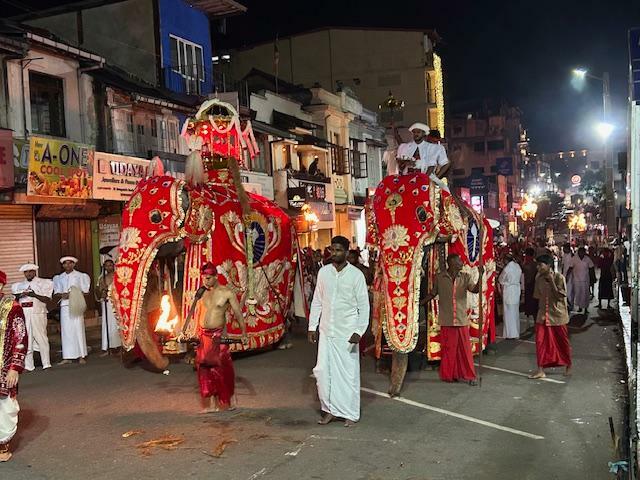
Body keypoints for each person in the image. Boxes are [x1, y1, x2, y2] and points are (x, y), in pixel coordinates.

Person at [308, 236, 370, 427]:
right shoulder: (324, 272)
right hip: (327, 331)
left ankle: (350, 413)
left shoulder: (356, 275)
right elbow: (317, 301)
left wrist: (359, 331)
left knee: (348, 375)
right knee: (323, 372)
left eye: (338, 250)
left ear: (347, 252)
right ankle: (328, 410)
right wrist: (312, 326)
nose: (334, 253)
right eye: (332, 250)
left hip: (347, 333)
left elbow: (364, 306)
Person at [181, 262, 247, 413]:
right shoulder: (202, 292)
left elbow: (237, 313)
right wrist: (186, 330)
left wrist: (244, 333)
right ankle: (212, 405)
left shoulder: (226, 292)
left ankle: (229, 400)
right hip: (204, 336)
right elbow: (195, 312)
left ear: (216, 277)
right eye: (204, 278)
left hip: (218, 335)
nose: (206, 281)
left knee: (222, 368)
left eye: (209, 278)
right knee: (204, 369)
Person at [421, 253, 483, 385]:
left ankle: (470, 376)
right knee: (449, 350)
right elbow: (433, 293)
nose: (462, 263)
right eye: (459, 261)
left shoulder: (465, 277)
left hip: (460, 319)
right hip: (447, 319)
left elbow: (475, 290)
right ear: (452, 263)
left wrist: (481, 276)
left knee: (465, 351)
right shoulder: (440, 278)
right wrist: (418, 304)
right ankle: (450, 374)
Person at [529, 255, 572, 379]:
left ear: (548, 266)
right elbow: (537, 296)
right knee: (540, 342)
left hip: (558, 315)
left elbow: (560, 296)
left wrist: (552, 281)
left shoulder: (559, 278)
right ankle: (540, 369)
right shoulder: (538, 278)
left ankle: (568, 365)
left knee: (562, 342)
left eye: (540, 265)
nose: (538, 267)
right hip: (542, 315)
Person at [0, 270, 27, 462]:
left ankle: (2, 446)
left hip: (4, 366)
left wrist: (14, 367)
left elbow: (21, 338)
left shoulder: (12, 307)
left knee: (4, 407)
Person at [11, 264, 52, 371]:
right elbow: (15, 299)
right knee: (26, 339)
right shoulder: (18, 285)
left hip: (37, 312)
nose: (28, 274)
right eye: (26, 272)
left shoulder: (43, 283)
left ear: (34, 272)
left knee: (41, 337)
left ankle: (46, 363)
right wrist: (20, 295)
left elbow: (47, 299)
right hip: (24, 313)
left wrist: (34, 295)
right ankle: (29, 365)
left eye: (30, 271)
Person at [52, 256, 91, 364]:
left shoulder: (80, 276)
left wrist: (74, 293)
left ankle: (81, 355)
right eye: (65, 263)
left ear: (74, 264)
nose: (67, 265)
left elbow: (86, 291)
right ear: (63, 265)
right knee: (66, 331)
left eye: (70, 263)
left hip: (76, 303)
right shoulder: (60, 277)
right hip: (65, 305)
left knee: (78, 328)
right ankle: (67, 356)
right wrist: (63, 294)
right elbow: (56, 292)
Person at [95, 259, 122, 356]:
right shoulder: (101, 278)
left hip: (116, 303)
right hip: (106, 303)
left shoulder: (118, 276)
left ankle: (120, 346)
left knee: (117, 323)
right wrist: (102, 291)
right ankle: (108, 347)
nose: (109, 267)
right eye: (106, 266)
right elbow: (98, 292)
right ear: (104, 267)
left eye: (110, 265)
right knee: (107, 325)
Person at [498, 252, 522, 339]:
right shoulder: (517, 266)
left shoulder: (507, 268)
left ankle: (510, 334)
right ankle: (516, 332)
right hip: (516, 289)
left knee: (508, 312)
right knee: (515, 311)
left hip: (508, 290)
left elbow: (501, 279)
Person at [567, 247, 594, 313]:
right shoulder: (574, 259)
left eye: (583, 252)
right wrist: (566, 276)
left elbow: (591, 268)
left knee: (585, 294)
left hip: (585, 279)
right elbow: (570, 268)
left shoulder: (587, 259)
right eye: (580, 252)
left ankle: (586, 309)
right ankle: (580, 307)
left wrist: (593, 278)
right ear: (578, 252)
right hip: (577, 279)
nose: (581, 253)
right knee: (578, 294)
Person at [521, 248, 539, 323]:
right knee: (532, 304)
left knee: (532, 304)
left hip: (531, 285)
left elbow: (525, 270)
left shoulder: (531, 264)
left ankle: (534, 320)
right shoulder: (534, 263)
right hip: (531, 285)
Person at [561, 244, 575, 310]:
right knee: (564, 290)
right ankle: (566, 304)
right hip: (564, 274)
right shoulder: (564, 255)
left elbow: (571, 267)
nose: (563, 250)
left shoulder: (572, 256)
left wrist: (567, 275)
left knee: (569, 290)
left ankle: (570, 305)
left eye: (564, 248)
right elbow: (563, 265)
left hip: (570, 275)